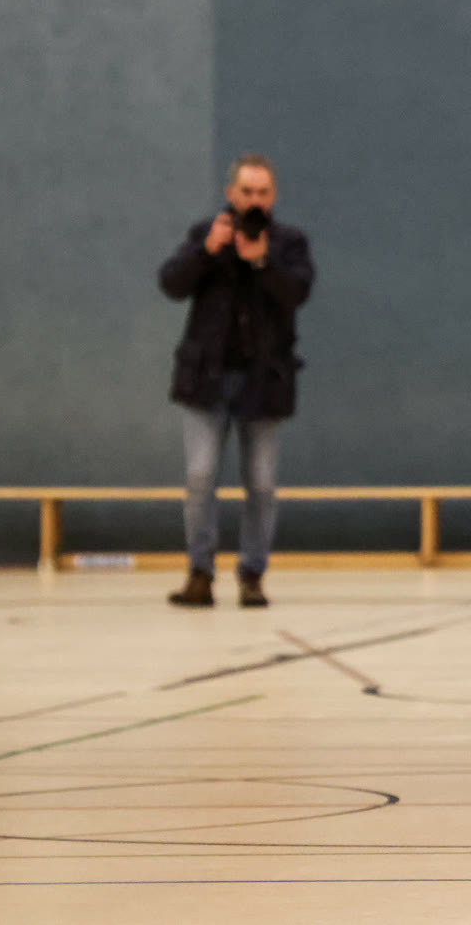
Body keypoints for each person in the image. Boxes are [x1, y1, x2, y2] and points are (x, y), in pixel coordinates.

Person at [157, 154, 315, 609]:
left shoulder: (288, 243)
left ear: (273, 196)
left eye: (262, 192)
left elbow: (298, 292)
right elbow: (171, 284)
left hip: (263, 381)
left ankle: (252, 574)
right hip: (206, 379)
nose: (254, 201)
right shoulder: (206, 235)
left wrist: (261, 261)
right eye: (246, 192)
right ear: (231, 194)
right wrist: (208, 250)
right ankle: (199, 573)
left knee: (261, 483)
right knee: (200, 475)